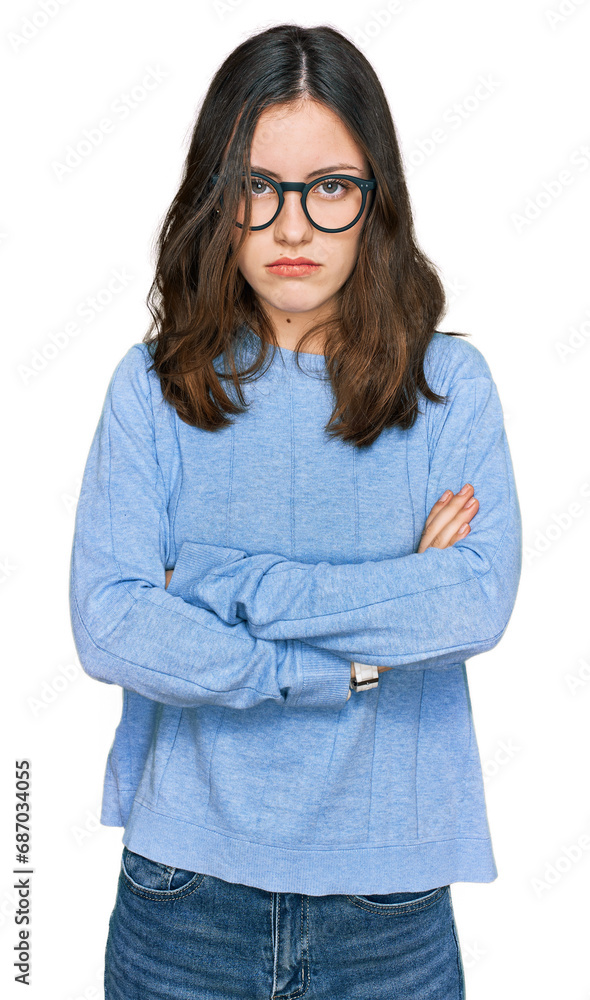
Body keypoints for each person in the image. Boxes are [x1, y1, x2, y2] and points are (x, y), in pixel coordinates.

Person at [68, 22, 522, 1000]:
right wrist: (352, 653)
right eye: (256, 188)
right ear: (216, 200)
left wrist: (217, 582)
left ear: (374, 199)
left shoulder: (450, 386)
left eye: (328, 188)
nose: (290, 226)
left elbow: (471, 604)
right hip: (183, 901)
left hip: (387, 911)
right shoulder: (150, 391)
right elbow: (111, 624)